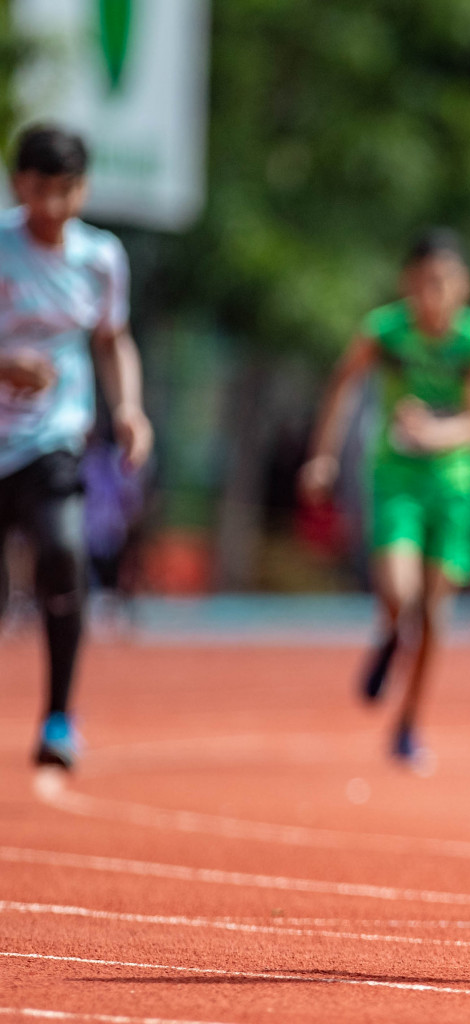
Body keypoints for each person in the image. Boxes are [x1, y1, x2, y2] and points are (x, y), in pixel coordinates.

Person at [300, 229, 470, 771]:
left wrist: (433, 434)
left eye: (445, 283)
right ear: (407, 283)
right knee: (400, 592)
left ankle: (409, 723)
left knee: (435, 614)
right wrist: (322, 456)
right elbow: (342, 386)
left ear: (466, 286)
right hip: (396, 481)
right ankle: (391, 633)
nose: (434, 294)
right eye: (424, 282)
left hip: (455, 485)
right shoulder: (384, 332)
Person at [0, 123, 153, 770]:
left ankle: (59, 717)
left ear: (83, 189)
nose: (53, 208)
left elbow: (112, 339)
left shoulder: (100, 258)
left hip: (54, 436)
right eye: (40, 191)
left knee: (63, 552)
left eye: (66, 192)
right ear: (18, 185)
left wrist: (129, 408)